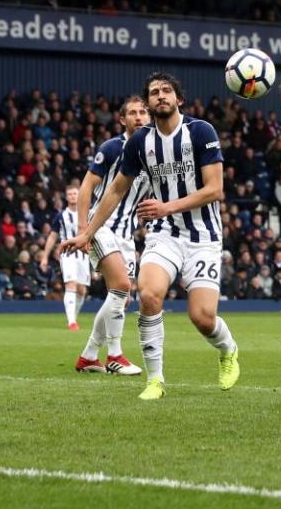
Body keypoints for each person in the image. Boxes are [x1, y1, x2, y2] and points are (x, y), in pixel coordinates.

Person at [61, 72, 240, 400]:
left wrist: (166, 206)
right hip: (163, 235)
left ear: (178, 99)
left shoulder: (201, 132)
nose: (160, 96)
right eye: (154, 92)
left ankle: (228, 350)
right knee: (148, 293)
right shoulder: (139, 142)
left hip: (203, 236)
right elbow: (115, 190)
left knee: (201, 317)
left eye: (166, 91)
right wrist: (86, 232)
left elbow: (215, 190)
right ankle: (155, 380)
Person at [73, 95, 151, 376]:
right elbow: (86, 188)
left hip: (127, 235)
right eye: (132, 113)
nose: (139, 117)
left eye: (143, 112)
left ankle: (89, 356)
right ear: (122, 119)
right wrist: (84, 230)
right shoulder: (111, 148)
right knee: (120, 286)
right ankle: (115, 355)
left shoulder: (154, 152)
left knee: (119, 297)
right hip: (101, 226)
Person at [40, 186, 89, 330]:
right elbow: (53, 236)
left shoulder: (87, 213)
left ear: (79, 195)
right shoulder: (61, 216)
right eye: (70, 194)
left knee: (81, 290)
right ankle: (71, 322)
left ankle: (73, 316)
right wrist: (45, 256)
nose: (73, 196)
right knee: (71, 284)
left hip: (83, 254)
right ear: (66, 197)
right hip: (67, 254)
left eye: (75, 193)